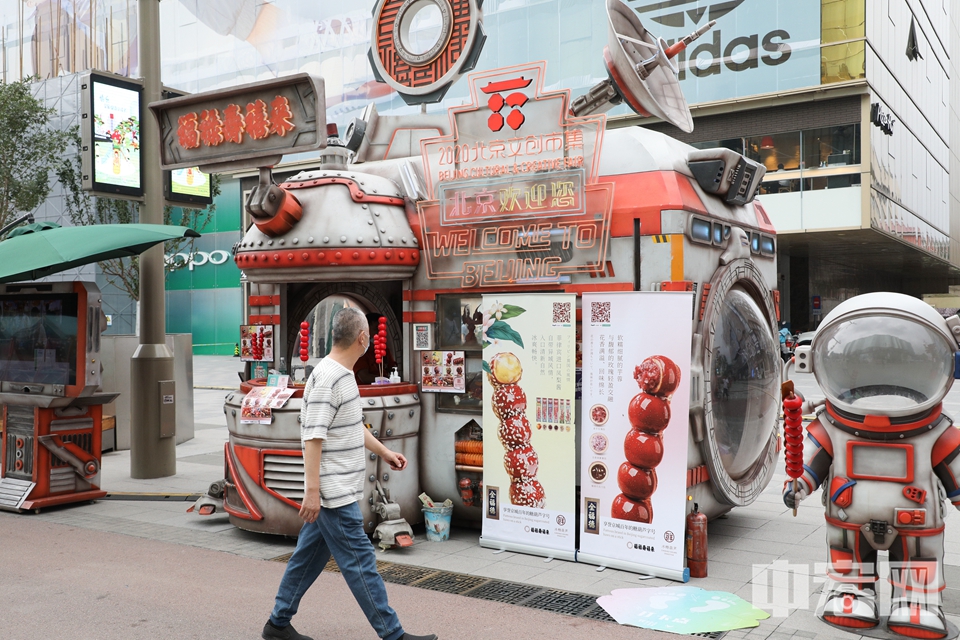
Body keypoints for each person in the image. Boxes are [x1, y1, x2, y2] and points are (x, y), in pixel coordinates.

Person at [262, 307, 435, 640]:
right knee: (361, 564)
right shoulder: (330, 378)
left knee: (307, 559)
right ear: (362, 338)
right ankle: (393, 635)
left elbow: (352, 426)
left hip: (334, 490)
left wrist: (384, 452)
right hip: (334, 492)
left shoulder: (339, 374)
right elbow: (313, 437)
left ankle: (277, 624)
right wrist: (312, 492)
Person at [354, 312, 396, 384]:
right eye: (376, 329)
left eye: (382, 329)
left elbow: (392, 368)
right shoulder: (360, 351)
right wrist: (384, 380)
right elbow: (364, 377)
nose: (380, 333)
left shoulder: (385, 349)